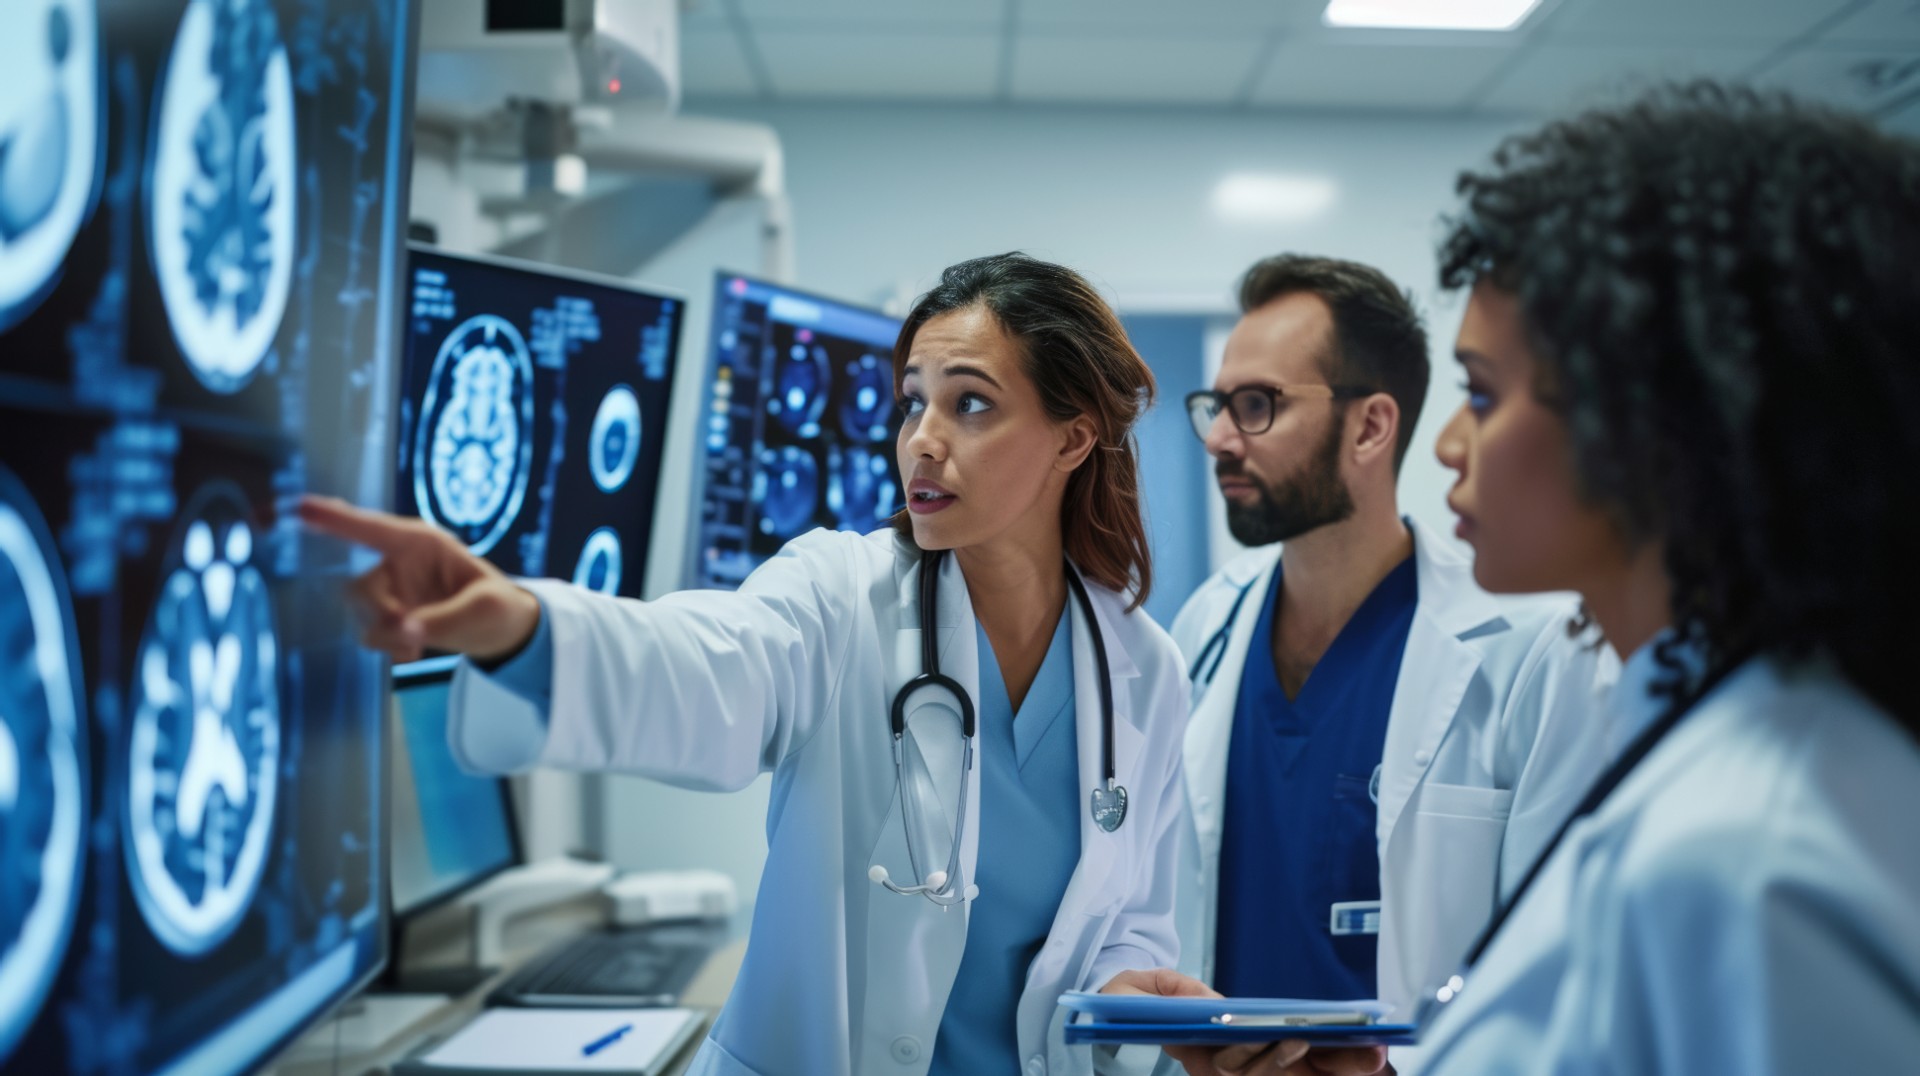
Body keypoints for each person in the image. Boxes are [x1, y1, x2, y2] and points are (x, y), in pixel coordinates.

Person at [1155, 81, 1920, 1075]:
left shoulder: (1762, 857)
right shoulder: (1713, 743)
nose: (1451, 445)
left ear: (1651, 419)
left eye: (1483, 393)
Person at [304, 252, 1194, 1076]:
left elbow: (1135, 921)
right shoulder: (840, 595)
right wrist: (523, 625)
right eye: (911, 402)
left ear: (1073, 441)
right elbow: (702, 665)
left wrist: (1120, 986)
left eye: (970, 404)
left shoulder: (1142, 673)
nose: (921, 440)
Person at [1110, 255, 1612, 1027]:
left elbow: (1562, 975)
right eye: (1216, 403)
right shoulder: (1210, 623)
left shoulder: (1532, 650)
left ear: (1371, 426)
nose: (1218, 437)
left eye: (1255, 405)